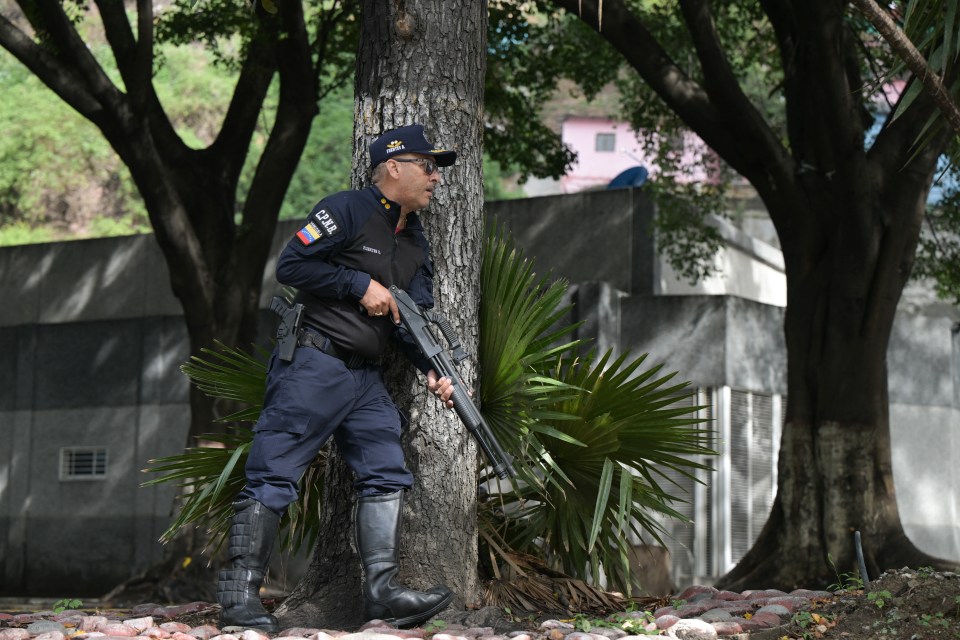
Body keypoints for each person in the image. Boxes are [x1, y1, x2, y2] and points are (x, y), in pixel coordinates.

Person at [216, 124, 460, 632]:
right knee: (274, 474)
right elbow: (292, 264)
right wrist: (357, 283)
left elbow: (412, 322)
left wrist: (436, 370)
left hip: (366, 379)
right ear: (394, 167)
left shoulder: (416, 242)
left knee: (387, 471)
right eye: (428, 165)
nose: (436, 177)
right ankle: (239, 598)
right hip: (314, 364)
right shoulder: (346, 209)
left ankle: (381, 594)